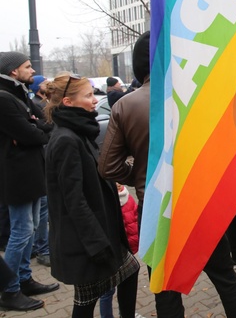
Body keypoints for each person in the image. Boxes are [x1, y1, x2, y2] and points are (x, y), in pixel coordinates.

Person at [98, 32, 236, 318]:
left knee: (165, 289)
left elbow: (108, 167)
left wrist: (142, 176)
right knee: (226, 279)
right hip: (199, 204)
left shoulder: (124, 105)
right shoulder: (198, 96)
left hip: (157, 209)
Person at [43, 73, 139, 318]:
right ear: (68, 102)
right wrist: (97, 245)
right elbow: (73, 200)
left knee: (130, 270)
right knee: (86, 300)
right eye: (88, 96)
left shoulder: (77, 131)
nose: (95, 100)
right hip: (85, 241)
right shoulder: (66, 139)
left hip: (98, 232)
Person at [0, 52, 59, 311]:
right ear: (13, 71)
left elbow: (45, 122)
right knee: (22, 231)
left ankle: (24, 279)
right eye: (27, 66)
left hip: (30, 172)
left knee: (32, 228)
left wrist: (35, 127)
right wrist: (34, 129)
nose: (32, 69)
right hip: (17, 177)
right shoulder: (4, 98)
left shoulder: (18, 92)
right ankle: (9, 290)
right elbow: (31, 134)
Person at [99, 183, 139, 318]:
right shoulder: (105, 202)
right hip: (111, 252)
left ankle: (125, 312)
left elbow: (135, 219)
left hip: (126, 249)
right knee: (107, 290)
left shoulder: (127, 197)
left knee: (126, 282)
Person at [28, 75, 51, 267]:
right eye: (44, 82)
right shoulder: (37, 104)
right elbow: (44, 128)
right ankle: (42, 248)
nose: (47, 84)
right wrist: (40, 126)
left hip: (41, 161)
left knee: (41, 211)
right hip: (39, 162)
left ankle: (39, 246)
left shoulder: (41, 103)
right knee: (39, 212)